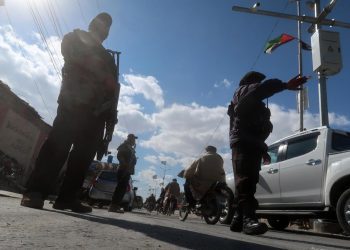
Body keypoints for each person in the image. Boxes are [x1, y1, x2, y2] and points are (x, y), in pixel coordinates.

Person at [20, 13, 117, 213]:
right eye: (101, 23)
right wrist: (100, 73)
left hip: (96, 114)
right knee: (57, 147)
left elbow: (113, 91)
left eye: (107, 26)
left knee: (83, 157)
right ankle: (35, 191)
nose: (103, 28)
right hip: (72, 104)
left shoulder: (108, 58)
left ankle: (66, 198)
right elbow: (71, 55)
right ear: (92, 23)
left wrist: (110, 121)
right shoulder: (74, 38)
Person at [227, 71, 308, 235]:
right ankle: (249, 219)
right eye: (257, 81)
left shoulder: (255, 104)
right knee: (245, 180)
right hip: (243, 141)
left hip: (252, 143)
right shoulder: (242, 91)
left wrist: (263, 149)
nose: (258, 84)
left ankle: (237, 218)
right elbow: (262, 89)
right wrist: (285, 85)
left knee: (246, 181)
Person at [108, 133, 138, 213]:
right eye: (133, 139)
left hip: (127, 170)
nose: (134, 141)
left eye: (134, 139)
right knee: (120, 188)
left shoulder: (131, 148)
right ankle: (113, 206)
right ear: (129, 139)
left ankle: (115, 205)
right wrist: (124, 163)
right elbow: (119, 155)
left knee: (122, 189)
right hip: (123, 169)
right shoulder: (124, 146)